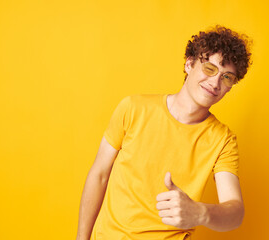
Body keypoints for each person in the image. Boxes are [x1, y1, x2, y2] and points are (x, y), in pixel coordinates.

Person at [76, 25, 252, 240]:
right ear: (189, 64)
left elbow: (235, 212)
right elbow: (99, 175)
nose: (215, 82)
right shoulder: (133, 108)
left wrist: (200, 213)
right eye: (209, 69)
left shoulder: (223, 140)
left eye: (227, 77)